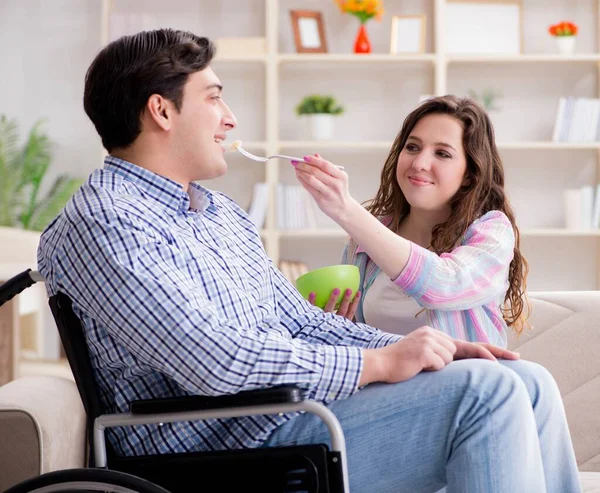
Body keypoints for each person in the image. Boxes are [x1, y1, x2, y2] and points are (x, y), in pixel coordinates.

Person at [36, 29, 582, 492]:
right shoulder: (105, 221)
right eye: (215, 98)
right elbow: (212, 359)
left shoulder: (218, 214)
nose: (229, 119)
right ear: (161, 110)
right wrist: (376, 365)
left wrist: (429, 349)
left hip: (286, 420)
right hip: (226, 448)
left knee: (524, 379)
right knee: (486, 392)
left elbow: (298, 321)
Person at [298, 96, 528, 348]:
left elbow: (445, 285)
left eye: (442, 153)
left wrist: (347, 210)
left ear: (469, 175)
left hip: (461, 381)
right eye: (412, 147)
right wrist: (336, 326)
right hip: (385, 384)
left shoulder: (491, 230)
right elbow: (356, 345)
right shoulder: (365, 241)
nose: (419, 164)